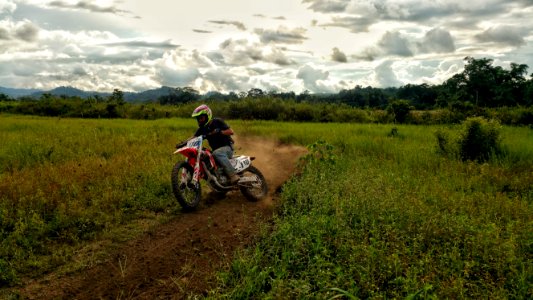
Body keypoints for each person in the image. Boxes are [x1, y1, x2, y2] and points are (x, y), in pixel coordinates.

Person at [191, 104, 240, 184]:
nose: (199, 120)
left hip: (227, 148)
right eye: (198, 119)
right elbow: (193, 137)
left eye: (201, 118)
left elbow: (231, 131)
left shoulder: (217, 121)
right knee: (205, 157)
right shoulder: (202, 129)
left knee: (217, 153)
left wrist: (219, 132)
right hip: (216, 151)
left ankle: (233, 175)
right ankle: (217, 180)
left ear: (207, 115)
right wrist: (183, 143)